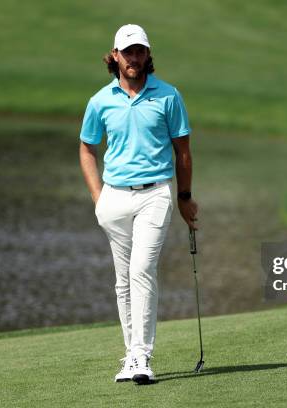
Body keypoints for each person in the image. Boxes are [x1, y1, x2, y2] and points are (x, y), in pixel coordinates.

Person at [78, 24, 198, 384]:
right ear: (115, 56)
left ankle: (142, 356)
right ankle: (131, 354)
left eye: (140, 51)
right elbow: (87, 148)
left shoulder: (168, 96)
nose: (134, 58)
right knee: (123, 280)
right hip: (114, 197)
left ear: (148, 55)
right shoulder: (100, 101)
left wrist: (185, 197)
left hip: (155, 194)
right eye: (127, 52)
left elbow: (184, 152)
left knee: (141, 270)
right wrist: (98, 197)